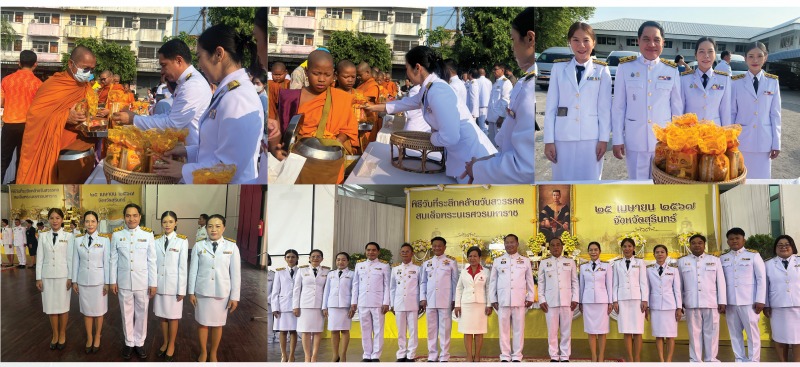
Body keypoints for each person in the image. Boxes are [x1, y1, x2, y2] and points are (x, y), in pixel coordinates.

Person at [366, 46, 497, 182]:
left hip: (473, 158)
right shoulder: (428, 88)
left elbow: (450, 137)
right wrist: (372, 107)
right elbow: (405, 104)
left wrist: (432, 137)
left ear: (417, 67)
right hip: (462, 159)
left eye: (407, 68)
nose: (406, 74)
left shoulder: (438, 90)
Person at [155, 25, 264, 184]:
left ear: (218, 54)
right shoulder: (227, 91)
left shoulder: (238, 97)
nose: (199, 65)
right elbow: (217, 148)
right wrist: (186, 151)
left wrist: (183, 170)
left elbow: (229, 166)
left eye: (199, 57)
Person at [465, 9, 537, 184]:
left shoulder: (529, 87)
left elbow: (524, 166)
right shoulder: (524, 82)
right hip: (503, 154)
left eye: (513, 39)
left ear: (529, 38)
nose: (512, 47)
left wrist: (478, 168)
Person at [272, 50, 359, 184]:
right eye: (316, 73)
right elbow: (277, 130)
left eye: (327, 74)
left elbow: (349, 129)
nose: (321, 79)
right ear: (306, 72)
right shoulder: (291, 98)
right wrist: (275, 149)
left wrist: (335, 143)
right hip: (299, 159)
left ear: (333, 74)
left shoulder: (342, 98)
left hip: (330, 161)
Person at [611, 21, 683, 180]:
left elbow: (677, 108)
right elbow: (618, 107)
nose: (652, 44)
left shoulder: (671, 70)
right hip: (635, 140)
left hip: (663, 143)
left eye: (656, 40)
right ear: (638, 41)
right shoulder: (625, 67)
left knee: (663, 186)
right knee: (637, 186)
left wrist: (676, 141)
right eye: (646, 39)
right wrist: (617, 138)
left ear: (663, 43)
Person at [16, 46, 96, 184]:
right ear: (71, 64)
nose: (88, 73)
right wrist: (65, 116)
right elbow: (35, 116)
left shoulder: (85, 86)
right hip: (53, 149)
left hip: (77, 150)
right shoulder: (53, 85)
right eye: (85, 68)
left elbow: (88, 110)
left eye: (92, 69)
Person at [544, 22, 611, 181]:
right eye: (575, 40)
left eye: (586, 40)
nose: (581, 45)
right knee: (563, 182)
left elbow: (604, 108)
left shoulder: (601, 69)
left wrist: (603, 139)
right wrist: (548, 141)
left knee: (591, 182)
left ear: (593, 43)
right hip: (563, 136)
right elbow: (551, 107)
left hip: (591, 138)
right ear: (569, 42)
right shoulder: (559, 68)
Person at [188, 214, 241, 362]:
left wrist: (234, 297)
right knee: (203, 323)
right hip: (202, 291)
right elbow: (193, 271)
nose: (213, 229)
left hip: (221, 292)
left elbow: (236, 274)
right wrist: (191, 292)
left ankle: (213, 353)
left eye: (218, 226)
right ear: (206, 228)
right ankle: (204, 351)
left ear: (223, 228)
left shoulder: (231, 246)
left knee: (218, 325)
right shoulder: (199, 245)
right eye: (210, 226)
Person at [109, 203, 157, 360]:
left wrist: (153, 283)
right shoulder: (116, 235)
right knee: (126, 313)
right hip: (124, 282)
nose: (131, 219)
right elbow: (113, 260)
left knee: (142, 313)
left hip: (143, 282)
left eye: (135, 215)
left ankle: (140, 342)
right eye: (128, 216)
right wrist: (112, 281)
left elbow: (152, 260)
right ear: (124, 217)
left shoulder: (147, 235)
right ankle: (129, 342)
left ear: (140, 217)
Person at [731, 42, 781, 179]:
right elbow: (732, 113)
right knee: (740, 179)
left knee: (762, 181)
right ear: (745, 58)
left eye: (759, 56)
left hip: (764, 142)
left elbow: (775, 115)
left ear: (765, 57)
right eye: (751, 56)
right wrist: (730, 139)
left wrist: (776, 143)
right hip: (742, 141)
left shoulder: (772, 82)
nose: (755, 60)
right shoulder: (736, 82)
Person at [678, 234, 726, 362]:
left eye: (700, 243)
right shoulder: (682, 261)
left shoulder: (714, 260)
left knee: (712, 333)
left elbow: (720, 282)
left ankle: (711, 359)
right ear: (690, 245)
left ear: (704, 245)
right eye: (693, 243)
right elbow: (679, 285)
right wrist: (680, 303)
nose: (697, 245)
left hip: (711, 301)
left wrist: (722, 301)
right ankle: (695, 360)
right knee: (694, 334)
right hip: (691, 302)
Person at [720, 227, 765, 362]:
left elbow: (761, 278)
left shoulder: (753, 255)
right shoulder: (722, 258)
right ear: (727, 242)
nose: (734, 241)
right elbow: (720, 282)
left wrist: (760, 300)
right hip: (731, 302)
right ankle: (739, 359)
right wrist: (722, 301)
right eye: (731, 239)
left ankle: (754, 360)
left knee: (752, 333)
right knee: (734, 334)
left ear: (743, 240)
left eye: (737, 238)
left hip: (749, 301)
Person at [489, 233, 535, 362]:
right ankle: (505, 355)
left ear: (517, 244)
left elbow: (529, 280)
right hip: (503, 300)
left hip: (519, 300)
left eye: (512, 242)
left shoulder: (525, 260)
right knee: (503, 330)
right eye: (507, 243)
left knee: (518, 329)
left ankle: (517, 356)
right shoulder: (498, 261)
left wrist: (530, 296)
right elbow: (493, 282)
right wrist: (493, 299)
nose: (509, 245)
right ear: (504, 245)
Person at [71, 211, 110, 354]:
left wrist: (107, 282)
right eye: (87, 221)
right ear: (83, 223)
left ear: (97, 223)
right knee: (87, 312)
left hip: (99, 281)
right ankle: (89, 337)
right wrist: (74, 281)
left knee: (99, 312)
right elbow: (76, 261)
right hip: (83, 281)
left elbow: (107, 263)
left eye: (93, 221)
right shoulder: (77, 240)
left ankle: (98, 336)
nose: (90, 224)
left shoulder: (104, 240)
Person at [36, 208, 75, 350]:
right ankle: (55, 334)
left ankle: (63, 333)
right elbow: (39, 258)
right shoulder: (43, 236)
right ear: (48, 220)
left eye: (57, 218)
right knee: (51, 307)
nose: (55, 221)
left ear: (62, 219)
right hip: (47, 276)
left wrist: (71, 277)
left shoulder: (69, 236)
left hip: (63, 276)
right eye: (52, 218)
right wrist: (38, 278)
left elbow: (70, 258)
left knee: (63, 307)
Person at [1, 50, 42, 183]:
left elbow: (1, 102)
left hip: (9, 125)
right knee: (23, 160)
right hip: (28, 128)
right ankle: (17, 189)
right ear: (35, 64)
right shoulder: (38, 84)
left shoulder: (6, 80)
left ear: (19, 63)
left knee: (3, 159)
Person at [153, 211, 189, 362]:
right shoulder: (155, 240)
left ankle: (172, 344)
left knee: (173, 317)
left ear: (176, 223)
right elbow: (152, 264)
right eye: (165, 222)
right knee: (162, 316)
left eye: (170, 221)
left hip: (174, 286)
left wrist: (182, 289)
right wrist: (152, 284)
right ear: (161, 223)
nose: (167, 224)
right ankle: (165, 342)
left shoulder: (182, 241)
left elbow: (183, 267)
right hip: (159, 285)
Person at [538, 237, 579, 362]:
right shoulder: (544, 263)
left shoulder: (570, 262)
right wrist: (541, 299)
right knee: (552, 331)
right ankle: (554, 356)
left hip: (567, 301)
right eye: (553, 245)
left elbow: (574, 282)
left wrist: (575, 298)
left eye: (558, 245)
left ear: (562, 247)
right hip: (550, 302)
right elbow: (541, 282)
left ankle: (565, 356)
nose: (555, 247)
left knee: (566, 331)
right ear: (549, 248)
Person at [420, 237, 459, 362]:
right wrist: (422, 298)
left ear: (444, 247)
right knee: (431, 329)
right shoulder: (426, 263)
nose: (437, 248)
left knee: (445, 329)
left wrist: (454, 299)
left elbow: (455, 283)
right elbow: (423, 282)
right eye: (434, 246)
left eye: (439, 246)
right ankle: (432, 354)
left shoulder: (451, 262)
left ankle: (444, 355)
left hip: (445, 300)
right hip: (430, 300)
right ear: (431, 247)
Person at [350, 242, 391, 362]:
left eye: (373, 250)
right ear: (365, 251)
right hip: (363, 302)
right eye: (368, 250)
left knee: (378, 329)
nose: (371, 252)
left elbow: (387, 285)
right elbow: (355, 284)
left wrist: (386, 302)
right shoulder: (360, 265)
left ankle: (376, 355)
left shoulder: (384, 266)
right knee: (365, 329)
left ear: (378, 252)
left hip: (378, 303)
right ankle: (367, 354)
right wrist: (354, 302)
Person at [612, 238, 648, 362]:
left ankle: (637, 358)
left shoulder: (640, 262)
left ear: (633, 248)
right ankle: (630, 358)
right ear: (621, 248)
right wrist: (615, 300)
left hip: (637, 300)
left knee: (638, 331)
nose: (627, 249)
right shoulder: (617, 264)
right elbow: (615, 284)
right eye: (625, 246)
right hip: (622, 299)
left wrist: (645, 300)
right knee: (626, 330)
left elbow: (643, 282)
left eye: (629, 246)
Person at [681, 37, 732, 126]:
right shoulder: (684, 79)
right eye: (701, 51)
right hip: (691, 133)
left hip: (715, 134)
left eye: (710, 51)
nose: (706, 55)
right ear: (695, 55)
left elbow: (725, 111)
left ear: (715, 54)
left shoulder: (724, 79)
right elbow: (680, 109)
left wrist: (727, 137)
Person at [764, 235, 800, 362]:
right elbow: (765, 287)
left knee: (798, 338)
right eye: (780, 245)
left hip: (798, 305)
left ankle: (797, 363)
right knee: (779, 338)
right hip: (778, 306)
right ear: (775, 248)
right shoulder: (768, 264)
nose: (783, 247)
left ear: (792, 247)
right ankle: (783, 363)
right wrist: (766, 304)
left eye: (787, 244)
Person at [646, 244, 682, 362]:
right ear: (654, 255)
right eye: (657, 252)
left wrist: (679, 307)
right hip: (655, 306)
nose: (660, 254)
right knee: (659, 334)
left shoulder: (673, 270)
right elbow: (647, 289)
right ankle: (661, 360)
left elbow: (677, 290)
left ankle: (669, 360)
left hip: (670, 306)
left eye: (662, 252)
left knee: (670, 335)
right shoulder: (649, 270)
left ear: (667, 254)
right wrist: (647, 306)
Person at [456, 246, 492, 362]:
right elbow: (459, 289)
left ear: (480, 257)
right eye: (470, 256)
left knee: (479, 332)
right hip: (466, 305)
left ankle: (477, 356)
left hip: (480, 305)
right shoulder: (463, 272)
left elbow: (488, 289)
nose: (472, 258)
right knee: (467, 331)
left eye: (475, 256)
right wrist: (457, 305)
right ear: (467, 258)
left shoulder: (486, 272)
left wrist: (489, 304)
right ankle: (469, 356)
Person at [578, 242, 612, 362]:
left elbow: (609, 285)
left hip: (602, 301)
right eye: (591, 250)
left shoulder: (606, 266)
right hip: (588, 301)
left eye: (596, 250)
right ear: (588, 252)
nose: (593, 252)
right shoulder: (583, 267)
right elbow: (581, 286)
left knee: (602, 330)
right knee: (591, 330)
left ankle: (601, 356)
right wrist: (580, 302)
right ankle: (593, 356)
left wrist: (610, 302)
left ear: (599, 251)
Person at [293, 249, 329, 362]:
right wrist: (295, 306)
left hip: (319, 305)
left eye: (318, 256)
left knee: (318, 331)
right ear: (309, 258)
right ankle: (307, 356)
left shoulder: (327, 271)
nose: (315, 258)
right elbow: (297, 289)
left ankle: (314, 356)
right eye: (313, 256)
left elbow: (327, 290)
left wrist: (325, 306)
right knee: (306, 331)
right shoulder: (302, 270)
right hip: (305, 305)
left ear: (322, 259)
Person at [389, 244, 422, 362]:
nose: (404, 253)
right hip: (398, 303)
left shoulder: (418, 269)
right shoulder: (395, 269)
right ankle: (401, 353)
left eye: (407, 251)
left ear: (412, 253)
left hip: (413, 303)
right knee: (401, 330)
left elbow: (421, 286)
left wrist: (421, 301)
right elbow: (392, 288)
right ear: (400, 253)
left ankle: (411, 354)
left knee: (413, 330)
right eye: (402, 251)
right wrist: (391, 303)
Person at [322, 252, 354, 362]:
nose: (340, 262)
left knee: (345, 330)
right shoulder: (331, 274)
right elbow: (326, 291)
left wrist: (353, 306)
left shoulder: (352, 274)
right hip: (332, 306)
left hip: (346, 306)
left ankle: (343, 354)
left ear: (348, 261)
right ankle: (335, 355)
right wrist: (324, 307)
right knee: (334, 331)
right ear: (335, 261)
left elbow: (354, 291)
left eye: (343, 259)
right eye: (338, 259)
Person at [271, 249, 300, 362]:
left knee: (293, 331)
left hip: (296, 306)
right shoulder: (279, 272)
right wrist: (275, 307)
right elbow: (275, 291)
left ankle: (292, 355)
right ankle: (284, 355)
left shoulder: (301, 271)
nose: (290, 259)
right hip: (282, 306)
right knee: (283, 331)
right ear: (285, 258)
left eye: (293, 257)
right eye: (288, 257)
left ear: (297, 258)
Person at [356, 61, 382, 143]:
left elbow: (365, 99)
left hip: (367, 120)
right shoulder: (362, 84)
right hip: (358, 118)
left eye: (360, 75)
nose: (358, 77)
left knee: (366, 144)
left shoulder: (373, 85)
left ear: (367, 72)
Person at [486, 63, 512, 144]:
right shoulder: (495, 83)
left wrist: (501, 116)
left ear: (502, 70)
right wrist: (488, 117)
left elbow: (505, 100)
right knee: (491, 142)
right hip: (492, 118)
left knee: (499, 143)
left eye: (496, 69)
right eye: (493, 70)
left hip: (499, 118)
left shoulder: (506, 82)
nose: (494, 71)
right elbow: (491, 102)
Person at [476, 68, 492, 134]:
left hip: (480, 105)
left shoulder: (476, 81)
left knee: (482, 127)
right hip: (488, 105)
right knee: (487, 126)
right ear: (484, 73)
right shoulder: (489, 82)